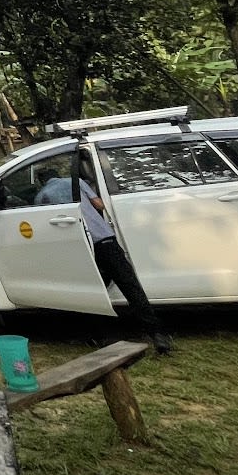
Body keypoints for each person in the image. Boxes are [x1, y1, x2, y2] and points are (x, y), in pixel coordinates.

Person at [71, 152, 173, 355]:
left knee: (89, 290)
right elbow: (99, 204)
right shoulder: (78, 183)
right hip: (105, 239)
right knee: (130, 286)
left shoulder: (45, 192)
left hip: (82, 244)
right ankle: (157, 335)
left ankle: (101, 336)